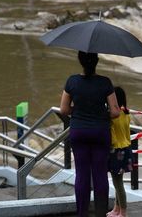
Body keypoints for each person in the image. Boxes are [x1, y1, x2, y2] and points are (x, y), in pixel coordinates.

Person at [60, 51, 120, 217]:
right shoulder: (105, 82)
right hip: (100, 132)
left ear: (80, 60)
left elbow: (64, 109)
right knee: (100, 173)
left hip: (79, 131)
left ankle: (82, 214)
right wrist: (99, 114)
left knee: (82, 173)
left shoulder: (72, 81)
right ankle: (101, 213)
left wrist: (79, 112)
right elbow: (115, 112)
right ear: (97, 61)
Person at [107, 86, 133, 217]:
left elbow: (112, 137)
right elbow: (128, 135)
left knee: (118, 183)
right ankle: (116, 209)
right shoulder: (126, 114)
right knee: (118, 181)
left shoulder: (112, 116)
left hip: (116, 151)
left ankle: (123, 212)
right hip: (127, 149)